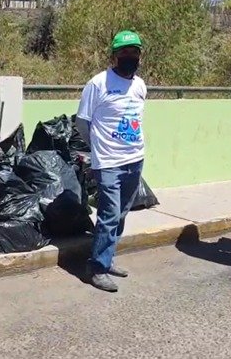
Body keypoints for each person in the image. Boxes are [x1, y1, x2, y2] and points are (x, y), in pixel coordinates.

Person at [75, 30, 146, 292]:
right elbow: (82, 121)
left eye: (134, 52)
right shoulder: (98, 83)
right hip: (108, 161)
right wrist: (98, 147)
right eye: (124, 52)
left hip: (135, 159)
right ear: (114, 56)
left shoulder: (139, 85)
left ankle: (108, 257)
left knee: (122, 213)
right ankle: (96, 268)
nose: (130, 56)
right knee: (108, 214)